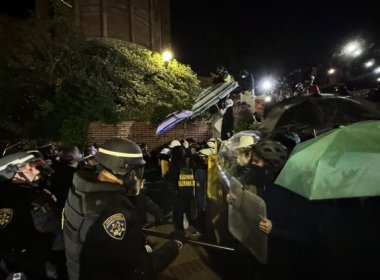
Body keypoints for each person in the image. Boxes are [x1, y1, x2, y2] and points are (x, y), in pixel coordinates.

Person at [63, 138, 183, 280]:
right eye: (137, 171)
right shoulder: (115, 214)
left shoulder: (80, 191)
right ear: (126, 170)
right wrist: (174, 245)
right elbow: (140, 270)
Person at [0, 152, 65, 280]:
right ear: (12, 174)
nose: (36, 171)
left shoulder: (35, 191)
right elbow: (10, 247)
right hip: (40, 266)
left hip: (56, 254)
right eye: (30, 168)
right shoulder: (9, 203)